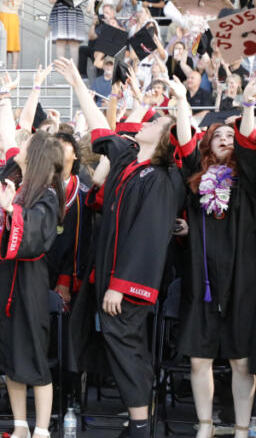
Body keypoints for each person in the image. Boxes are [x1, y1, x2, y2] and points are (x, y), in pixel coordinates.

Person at [58, 57, 180, 438]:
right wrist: (79, 84)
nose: (149, 120)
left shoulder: (160, 178)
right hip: (108, 280)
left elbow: (146, 237)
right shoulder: (129, 163)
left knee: (127, 351)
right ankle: (137, 421)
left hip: (127, 285)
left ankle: (141, 426)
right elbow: (100, 131)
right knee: (117, 349)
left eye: (157, 121)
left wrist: (121, 284)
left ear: (164, 140)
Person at [0, 124, 65, 438]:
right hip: (0, 280)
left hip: (27, 284)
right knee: (9, 355)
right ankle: (20, 425)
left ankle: (41, 429)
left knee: (33, 357)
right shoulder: (13, 182)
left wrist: (13, 210)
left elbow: (38, 232)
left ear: (35, 156)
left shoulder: (45, 194)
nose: (19, 146)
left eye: (28, 144)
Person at [172, 80, 256, 438]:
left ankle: (240, 428)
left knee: (242, 360)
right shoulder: (198, 179)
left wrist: (248, 104)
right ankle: (205, 425)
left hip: (241, 280)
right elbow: (185, 141)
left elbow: (249, 140)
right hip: (201, 277)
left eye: (229, 135)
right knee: (199, 358)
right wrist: (179, 101)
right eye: (217, 134)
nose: (224, 138)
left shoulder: (249, 178)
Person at [0, 0, 23, 69]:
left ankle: (14, 67)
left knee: (13, 43)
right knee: (4, 43)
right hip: (2, 15)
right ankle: (3, 65)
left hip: (12, 16)